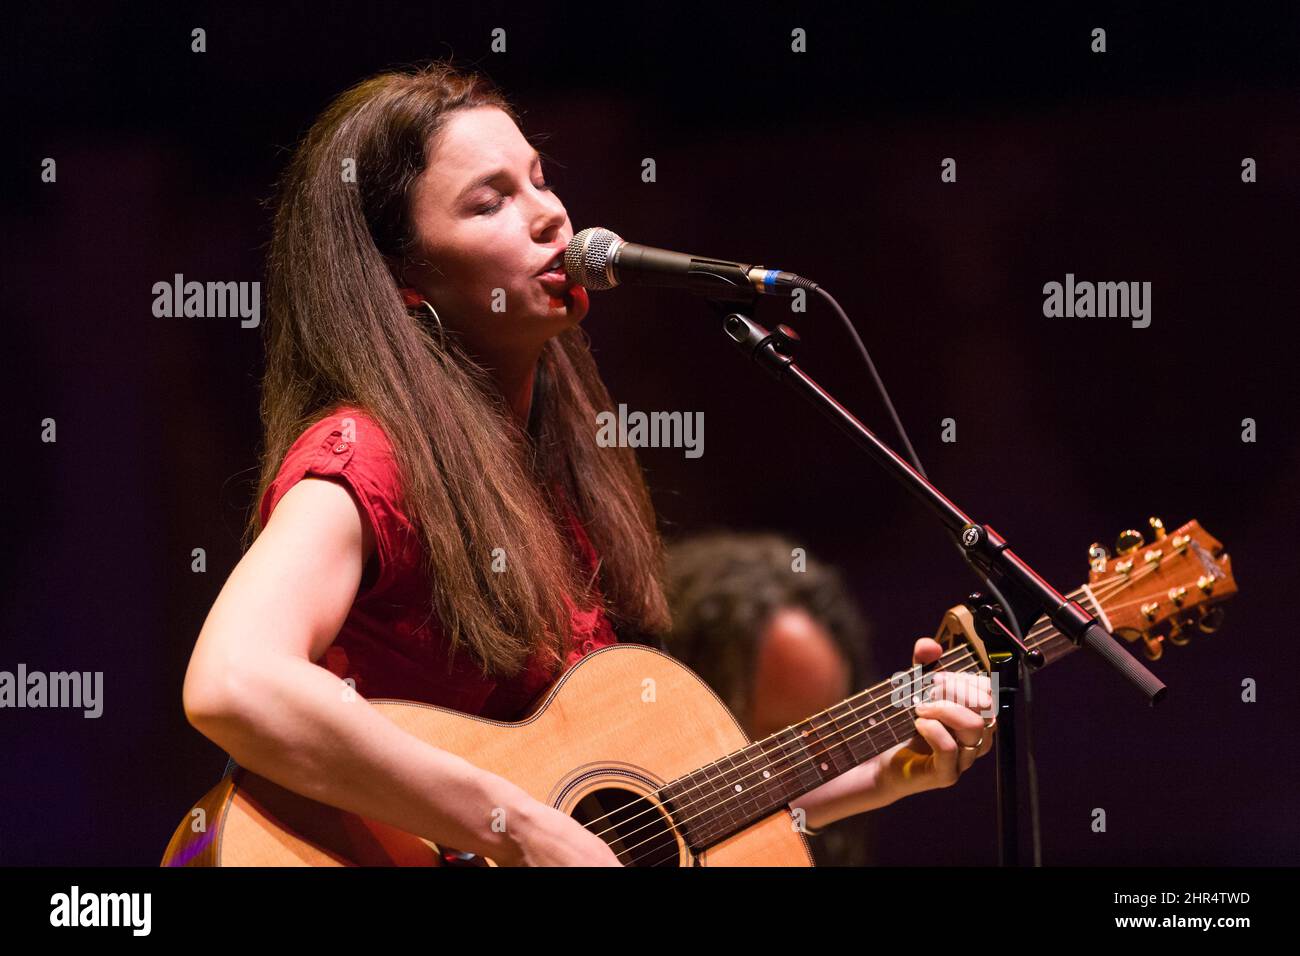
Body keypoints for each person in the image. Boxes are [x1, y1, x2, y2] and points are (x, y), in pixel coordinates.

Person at [181, 60, 994, 867]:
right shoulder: (368, 455)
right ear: (402, 284)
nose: (550, 216)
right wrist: (516, 827)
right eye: (490, 201)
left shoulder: (549, 474)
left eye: (539, 179)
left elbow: (638, 825)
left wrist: (884, 771)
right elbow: (233, 679)